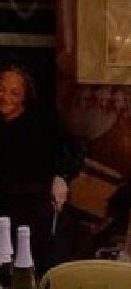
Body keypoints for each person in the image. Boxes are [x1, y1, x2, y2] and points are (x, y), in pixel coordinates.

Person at [0, 62, 82, 271]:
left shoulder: (43, 123)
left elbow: (74, 152)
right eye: (1, 89)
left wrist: (62, 176)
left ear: (24, 97)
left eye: (15, 93)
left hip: (38, 211)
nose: (5, 97)